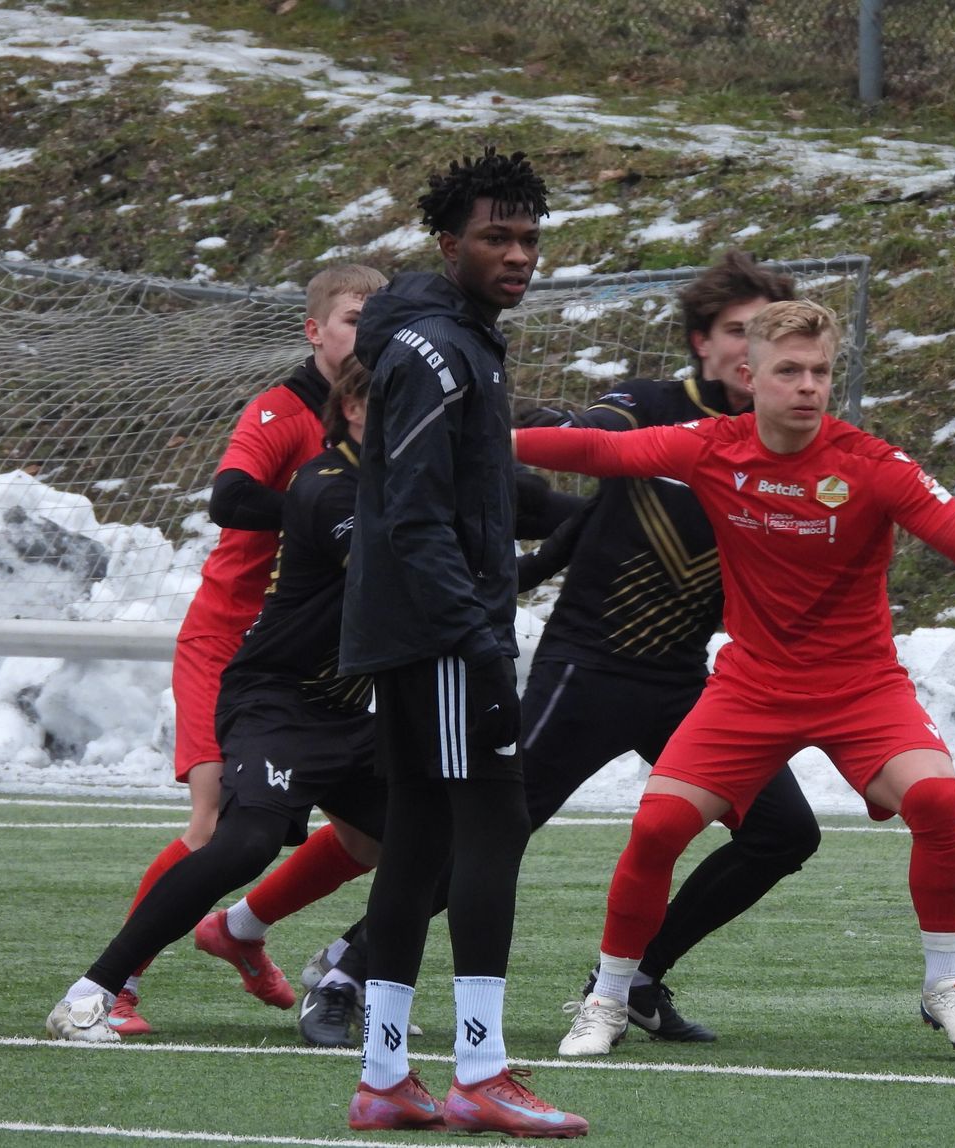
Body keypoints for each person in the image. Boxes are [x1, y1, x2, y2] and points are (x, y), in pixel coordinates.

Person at [514, 299, 955, 1059]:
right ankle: (609, 997)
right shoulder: (710, 447)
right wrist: (484, 435)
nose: (808, 386)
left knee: (936, 799)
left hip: (861, 688)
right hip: (751, 689)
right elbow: (596, 450)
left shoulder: (871, 465)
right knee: (656, 827)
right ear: (749, 377)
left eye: (820, 371)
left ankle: (943, 985)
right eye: (789, 371)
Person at [297, 251, 824, 1050]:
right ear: (704, 343)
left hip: (687, 684)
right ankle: (348, 969)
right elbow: (595, 430)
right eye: (737, 331)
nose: (755, 348)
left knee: (784, 832)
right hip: (588, 671)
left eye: (769, 335)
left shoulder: (783, 444)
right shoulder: (650, 406)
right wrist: (530, 438)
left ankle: (637, 977)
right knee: (490, 833)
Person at [338, 147, 586, 1137]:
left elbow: (470, 494)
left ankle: (384, 1075)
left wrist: (558, 526)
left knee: (420, 839)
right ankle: (480, 1069)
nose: (518, 254)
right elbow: (415, 514)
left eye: (529, 238)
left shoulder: (456, 341)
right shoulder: (439, 352)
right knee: (492, 823)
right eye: (496, 237)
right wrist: (477, 636)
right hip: (442, 637)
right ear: (450, 245)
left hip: (421, 630)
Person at [46, 359, 387, 1042]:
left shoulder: (402, 464)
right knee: (224, 834)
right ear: (318, 334)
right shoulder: (296, 435)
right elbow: (230, 498)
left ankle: (288, 947)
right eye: (353, 316)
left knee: (416, 841)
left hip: (337, 691)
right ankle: (104, 990)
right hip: (245, 657)